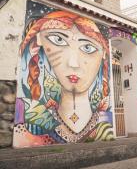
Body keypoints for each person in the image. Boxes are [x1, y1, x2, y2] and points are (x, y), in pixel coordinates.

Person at [13, 10, 114, 148]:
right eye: (58, 40)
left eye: (88, 47)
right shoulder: (26, 117)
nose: (73, 63)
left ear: (104, 55)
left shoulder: (105, 120)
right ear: (39, 41)